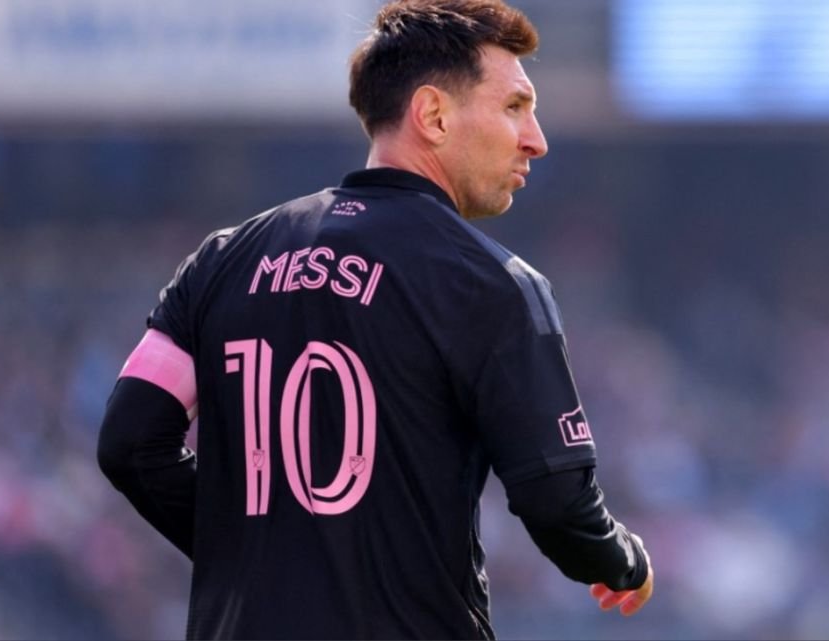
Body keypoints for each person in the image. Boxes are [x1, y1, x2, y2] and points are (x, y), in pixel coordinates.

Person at [96, 0, 653, 638]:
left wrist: (257, 557)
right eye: (514, 107)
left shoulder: (222, 260)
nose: (536, 139)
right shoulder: (492, 285)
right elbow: (558, 505)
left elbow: (129, 442)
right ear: (433, 115)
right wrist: (621, 558)